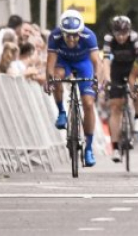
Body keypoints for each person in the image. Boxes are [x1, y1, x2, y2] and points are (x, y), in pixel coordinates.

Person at [46, 10, 103, 167]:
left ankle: (89, 148)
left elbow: (97, 62)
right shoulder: (54, 36)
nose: (71, 39)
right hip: (64, 62)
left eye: (75, 35)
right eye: (68, 35)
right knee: (56, 76)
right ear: (62, 32)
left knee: (88, 103)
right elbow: (50, 63)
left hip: (84, 64)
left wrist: (97, 80)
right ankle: (62, 112)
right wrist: (49, 81)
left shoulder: (89, 36)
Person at [102, 15, 138, 163]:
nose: (121, 37)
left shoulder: (134, 37)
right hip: (117, 70)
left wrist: (137, 78)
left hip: (133, 67)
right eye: (117, 33)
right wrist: (107, 77)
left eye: (124, 33)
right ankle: (115, 147)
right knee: (115, 107)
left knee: (137, 88)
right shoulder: (109, 38)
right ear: (113, 32)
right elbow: (106, 59)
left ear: (129, 31)